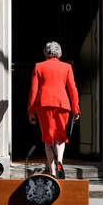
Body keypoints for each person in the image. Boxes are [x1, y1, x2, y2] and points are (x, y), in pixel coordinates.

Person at [27, 41, 80, 178]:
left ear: (46, 52)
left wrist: (31, 111)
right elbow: (73, 89)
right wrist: (76, 109)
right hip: (62, 104)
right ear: (59, 52)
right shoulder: (67, 67)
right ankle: (60, 162)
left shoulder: (39, 66)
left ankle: (52, 170)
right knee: (61, 136)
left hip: (44, 105)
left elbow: (33, 90)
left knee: (48, 138)